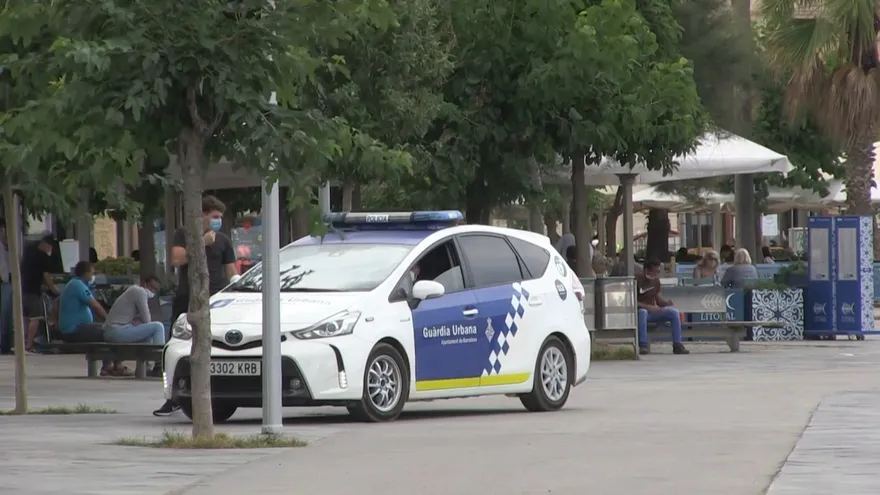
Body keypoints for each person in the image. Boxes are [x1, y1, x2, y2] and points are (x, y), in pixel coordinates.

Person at [154, 195, 237, 416]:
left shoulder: (224, 240)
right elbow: (177, 259)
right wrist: (202, 243)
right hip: (187, 296)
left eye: (220, 217)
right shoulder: (184, 234)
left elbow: (231, 271)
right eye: (215, 217)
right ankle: (172, 396)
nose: (218, 221)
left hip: (216, 298)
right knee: (179, 343)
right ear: (203, 216)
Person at [59, 261, 129, 376]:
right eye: (92, 273)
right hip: (74, 329)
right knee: (107, 331)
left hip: (78, 328)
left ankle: (115, 364)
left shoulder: (76, 284)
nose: (93, 276)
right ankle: (109, 366)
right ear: (85, 273)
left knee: (105, 330)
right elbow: (95, 306)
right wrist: (109, 320)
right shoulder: (77, 285)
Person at [104, 274, 165, 376]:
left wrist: (139, 319)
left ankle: (144, 369)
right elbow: (147, 319)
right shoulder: (139, 291)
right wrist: (141, 319)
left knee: (147, 335)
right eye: (151, 287)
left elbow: (142, 320)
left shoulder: (133, 292)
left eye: (155, 290)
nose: (152, 291)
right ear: (144, 284)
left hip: (116, 329)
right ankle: (159, 364)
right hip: (116, 330)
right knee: (158, 326)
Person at [636, 259, 689, 355]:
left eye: (658, 272)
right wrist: (648, 307)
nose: (657, 274)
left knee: (673, 312)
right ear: (646, 271)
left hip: (654, 311)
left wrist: (666, 303)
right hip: (641, 312)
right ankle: (643, 344)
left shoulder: (656, 281)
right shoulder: (637, 281)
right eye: (655, 272)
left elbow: (658, 297)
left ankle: (677, 344)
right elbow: (633, 302)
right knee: (642, 312)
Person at [21, 235, 60, 353]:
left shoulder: (27, 255)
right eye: (50, 248)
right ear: (45, 245)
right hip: (33, 291)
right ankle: (28, 345)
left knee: (26, 318)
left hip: (23, 290)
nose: (50, 251)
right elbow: (46, 275)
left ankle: (23, 342)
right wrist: (54, 290)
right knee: (35, 318)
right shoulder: (41, 257)